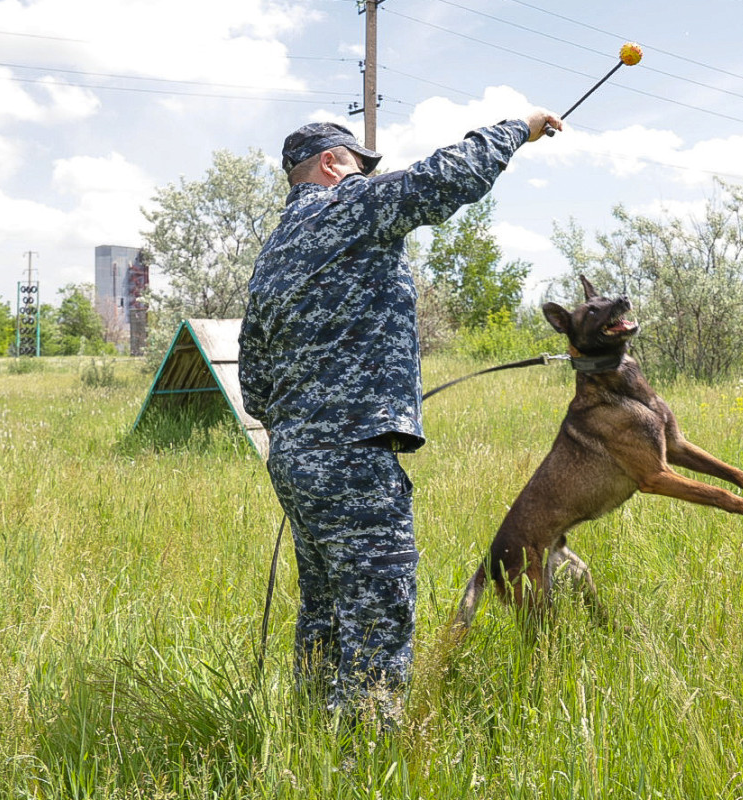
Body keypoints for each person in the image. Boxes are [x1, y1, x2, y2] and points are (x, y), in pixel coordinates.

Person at [238, 109, 563, 720]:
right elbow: (443, 179)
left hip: (295, 461)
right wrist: (519, 127)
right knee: (378, 607)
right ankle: (364, 751)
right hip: (353, 458)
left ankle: (313, 739)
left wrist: (306, 415)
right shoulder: (348, 207)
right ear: (332, 165)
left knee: (326, 606)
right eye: (359, 166)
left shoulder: (273, 252)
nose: (365, 177)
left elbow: (252, 383)